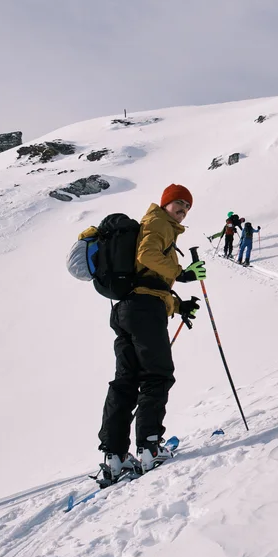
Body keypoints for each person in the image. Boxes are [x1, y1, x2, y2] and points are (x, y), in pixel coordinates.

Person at [88, 183, 206, 481]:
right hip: (143, 311)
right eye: (178, 204)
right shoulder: (158, 223)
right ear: (165, 204)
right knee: (157, 375)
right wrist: (182, 273)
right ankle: (150, 447)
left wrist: (180, 308)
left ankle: (114, 456)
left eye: (187, 206)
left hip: (127, 309)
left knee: (126, 381)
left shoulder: (152, 224)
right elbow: (147, 257)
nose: (182, 210)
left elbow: (148, 281)